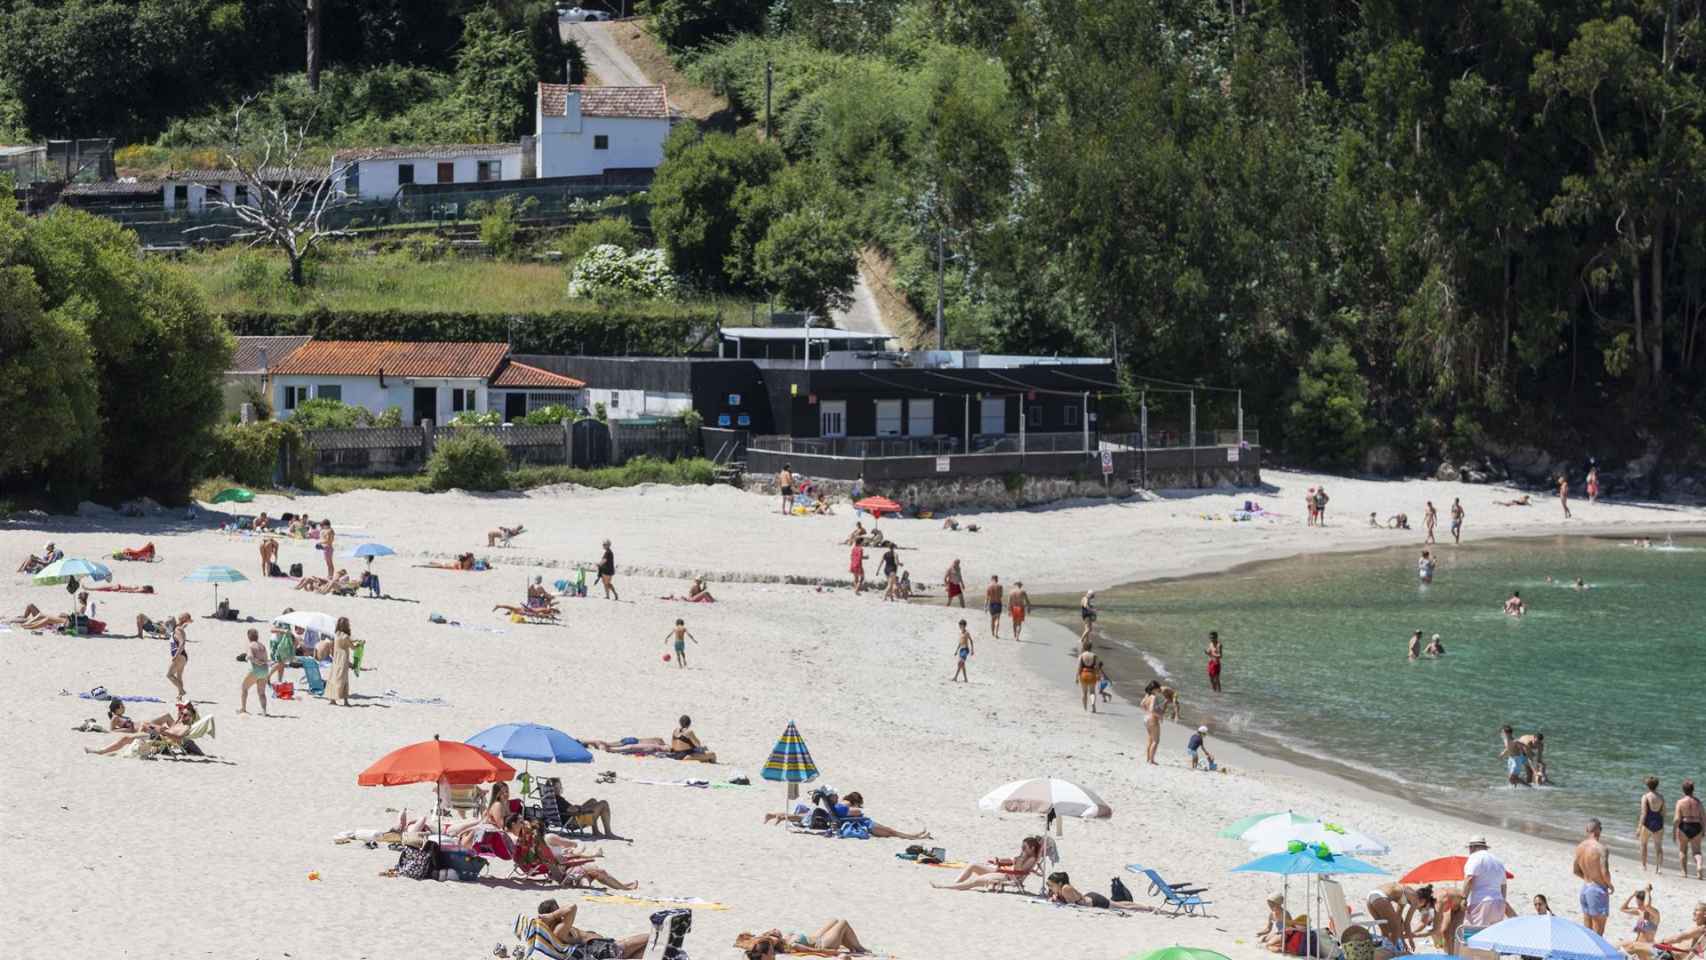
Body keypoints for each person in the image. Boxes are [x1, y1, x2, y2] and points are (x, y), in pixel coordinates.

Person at [531, 901, 649, 958]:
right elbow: (572, 907)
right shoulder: (558, 930)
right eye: (557, 910)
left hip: (606, 948)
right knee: (652, 937)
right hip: (605, 950)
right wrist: (552, 916)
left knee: (650, 950)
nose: (560, 913)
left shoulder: (561, 925)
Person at [85, 702, 203, 755]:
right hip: (155, 733)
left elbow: (178, 738)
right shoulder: (180, 721)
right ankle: (100, 751)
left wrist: (165, 732)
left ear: (191, 717)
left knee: (126, 738)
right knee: (127, 738)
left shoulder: (186, 727)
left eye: (185, 715)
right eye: (182, 714)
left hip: (158, 737)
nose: (182, 716)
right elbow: (182, 710)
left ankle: (100, 751)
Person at [931, 836, 1044, 891]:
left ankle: (945, 887)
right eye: (1022, 846)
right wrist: (998, 861)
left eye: (1024, 847)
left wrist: (1017, 860)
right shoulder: (1025, 855)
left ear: (1032, 848)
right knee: (973, 865)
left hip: (1007, 877)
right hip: (1003, 871)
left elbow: (1018, 871)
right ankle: (955, 884)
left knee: (975, 881)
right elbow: (1012, 860)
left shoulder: (1031, 859)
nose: (1022, 849)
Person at [738, 920, 872, 957]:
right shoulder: (791, 944)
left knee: (834, 920)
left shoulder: (779, 940)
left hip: (815, 937)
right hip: (822, 943)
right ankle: (860, 949)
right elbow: (817, 951)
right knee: (843, 923)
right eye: (774, 933)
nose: (774, 930)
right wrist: (834, 953)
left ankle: (852, 945)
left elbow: (749, 942)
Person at [1367, 882, 1436, 953]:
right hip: (1380, 898)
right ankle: (1388, 954)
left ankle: (1382, 952)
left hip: (1371, 897)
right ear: (1423, 901)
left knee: (1385, 931)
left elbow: (1398, 920)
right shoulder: (1415, 900)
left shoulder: (1405, 893)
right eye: (1422, 906)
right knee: (1394, 929)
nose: (1419, 909)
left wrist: (1403, 942)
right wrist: (1411, 941)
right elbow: (1407, 923)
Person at [1573, 818, 1614, 934]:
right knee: (1598, 932)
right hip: (1597, 890)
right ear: (1597, 830)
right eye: (1601, 828)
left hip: (1585, 888)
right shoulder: (1601, 849)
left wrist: (1589, 878)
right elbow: (1605, 872)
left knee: (1587, 932)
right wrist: (1609, 885)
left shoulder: (1580, 847)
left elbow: (1576, 870)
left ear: (1587, 830)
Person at [1462, 835, 1509, 928]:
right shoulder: (1498, 861)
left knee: (1475, 934)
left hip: (1481, 901)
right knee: (1492, 935)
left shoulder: (1475, 857)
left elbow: (1469, 879)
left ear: (1472, 847)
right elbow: (1503, 885)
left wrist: (1463, 898)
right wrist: (1503, 901)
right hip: (1498, 902)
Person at [1044, 872, 1145, 911]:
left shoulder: (1066, 889)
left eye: (1050, 885)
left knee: (1125, 907)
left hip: (1095, 901)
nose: (1049, 887)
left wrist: (1057, 899)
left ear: (1059, 883)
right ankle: (1146, 907)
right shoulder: (1060, 889)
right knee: (1118, 904)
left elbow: (1071, 906)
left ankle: (1149, 908)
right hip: (1090, 897)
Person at [1621, 886, 1661, 959]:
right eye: (1637, 903)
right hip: (1637, 944)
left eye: (1640, 904)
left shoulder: (1655, 915)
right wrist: (1632, 895)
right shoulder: (1640, 912)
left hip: (1647, 946)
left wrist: (1647, 891)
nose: (1638, 906)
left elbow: (1647, 906)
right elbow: (1622, 908)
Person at [238, 628, 270, 716]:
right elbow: (267, 659)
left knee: (244, 688)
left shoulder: (250, 645)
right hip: (265, 670)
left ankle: (243, 708)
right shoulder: (262, 646)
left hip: (255, 670)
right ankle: (264, 711)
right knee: (262, 693)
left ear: (248, 636)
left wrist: (255, 661)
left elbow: (250, 657)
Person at [1639, 778, 1667, 872]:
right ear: (1657, 785)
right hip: (1658, 823)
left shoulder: (1645, 797)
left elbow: (1644, 814)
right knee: (1658, 846)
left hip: (1647, 824)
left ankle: (1644, 866)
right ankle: (1659, 868)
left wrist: (1639, 827)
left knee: (1643, 844)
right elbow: (1663, 813)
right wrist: (1662, 824)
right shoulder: (1661, 797)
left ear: (1647, 786)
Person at [1678, 779, 1704, 879]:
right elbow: (1703, 817)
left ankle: (1684, 872)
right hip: (1696, 826)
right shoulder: (1698, 802)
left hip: (1684, 826)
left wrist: (1675, 830)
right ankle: (1699, 866)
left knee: (1683, 850)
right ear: (1693, 789)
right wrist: (1704, 830)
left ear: (1683, 790)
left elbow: (1677, 818)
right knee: (1697, 852)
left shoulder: (1680, 802)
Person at [328, 616, 354, 706]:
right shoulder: (346, 636)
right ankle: (345, 701)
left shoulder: (336, 635)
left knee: (334, 677)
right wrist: (361, 644)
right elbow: (353, 647)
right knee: (344, 679)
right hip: (343, 659)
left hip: (336, 659)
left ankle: (332, 699)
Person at [165, 613, 192, 699]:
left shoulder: (177, 630)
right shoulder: (177, 629)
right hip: (182, 656)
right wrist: (185, 622)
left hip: (179, 656)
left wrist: (176, 655)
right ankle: (180, 695)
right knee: (179, 676)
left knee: (169, 675)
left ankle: (182, 690)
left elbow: (182, 643)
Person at [1140, 681, 1163, 765]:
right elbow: (1152, 709)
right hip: (1152, 719)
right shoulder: (1153, 697)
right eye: (1158, 688)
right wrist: (1159, 716)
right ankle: (1151, 760)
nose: (1159, 690)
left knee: (1150, 739)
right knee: (1156, 741)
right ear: (1155, 689)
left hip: (1146, 718)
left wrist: (1148, 711)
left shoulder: (1147, 695)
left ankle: (1148, 758)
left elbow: (1142, 704)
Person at [1076, 642, 1101, 712]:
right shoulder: (1095, 656)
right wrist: (1098, 675)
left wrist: (1076, 677)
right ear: (1091, 647)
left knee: (1084, 693)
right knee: (1092, 692)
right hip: (1092, 675)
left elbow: (1079, 667)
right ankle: (1093, 706)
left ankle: (1085, 708)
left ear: (1084, 647)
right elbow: (1097, 667)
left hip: (1083, 675)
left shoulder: (1082, 655)